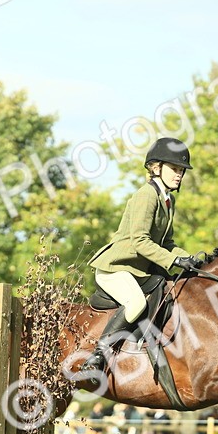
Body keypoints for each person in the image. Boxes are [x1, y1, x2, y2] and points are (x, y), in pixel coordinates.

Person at [81, 137, 199, 375]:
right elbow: (140, 241)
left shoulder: (168, 200)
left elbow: (166, 243)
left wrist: (190, 259)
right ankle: (97, 356)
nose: (179, 175)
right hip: (116, 268)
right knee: (136, 303)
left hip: (138, 271)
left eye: (181, 171)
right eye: (175, 169)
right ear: (157, 168)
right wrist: (173, 261)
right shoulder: (147, 195)